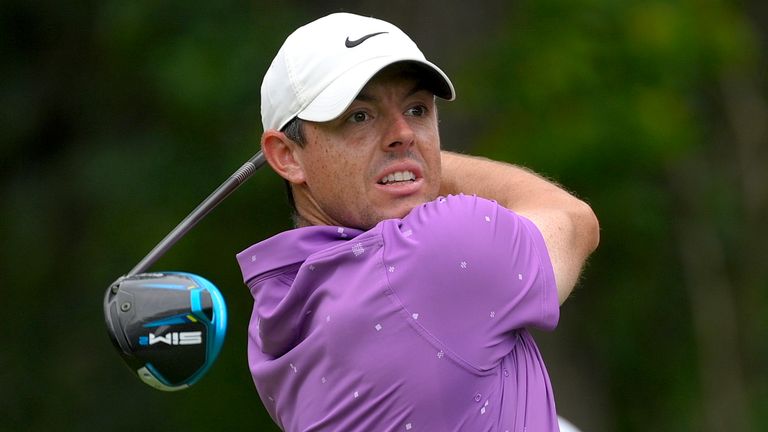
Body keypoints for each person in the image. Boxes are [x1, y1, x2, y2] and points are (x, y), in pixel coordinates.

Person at [237, 12, 599, 432]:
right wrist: (418, 165)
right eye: (359, 116)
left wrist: (394, 165)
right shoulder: (439, 249)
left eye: (417, 109)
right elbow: (573, 222)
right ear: (286, 156)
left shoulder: (275, 312)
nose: (403, 133)